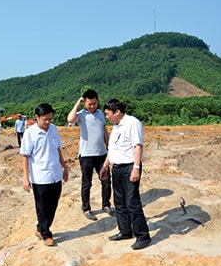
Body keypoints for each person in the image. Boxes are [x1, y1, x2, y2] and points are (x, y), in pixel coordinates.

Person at [99, 99, 151, 250]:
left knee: (132, 203)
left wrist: (136, 168)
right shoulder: (116, 126)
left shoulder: (132, 123)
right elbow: (113, 148)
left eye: (108, 114)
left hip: (129, 167)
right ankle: (125, 231)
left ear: (117, 112)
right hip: (117, 168)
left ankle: (143, 236)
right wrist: (105, 165)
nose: (107, 117)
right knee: (119, 202)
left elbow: (138, 146)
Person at [21, 103, 69, 247]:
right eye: (45, 120)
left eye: (50, 119)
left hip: (55, 174)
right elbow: (25, 156)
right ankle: (46, 234)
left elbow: (58, 150)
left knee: (52, 205)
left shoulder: (53, 129)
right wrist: (26, 177)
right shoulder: (30, 133)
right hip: (40, 177)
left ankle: (40, 228)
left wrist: (64, 167)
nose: (48, 122)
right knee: (42, 206)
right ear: (37, 118)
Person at [67, 89, 113, 221]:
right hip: (86, 155)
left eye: (94, 103)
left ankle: (106, 205)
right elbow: (70, 119)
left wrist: (109, 147)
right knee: (87, 183)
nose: (92, 106)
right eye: (89, 104)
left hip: (101, 154)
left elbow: (104, 131)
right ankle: (86, 208)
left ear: (97, 101)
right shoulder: (81, 115)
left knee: (106, 180)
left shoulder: (101, 114)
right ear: (84, 103)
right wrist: (78, 102)